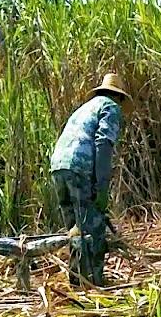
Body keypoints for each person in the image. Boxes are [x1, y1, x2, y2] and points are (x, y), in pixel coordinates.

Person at [50, 72, 129, 287]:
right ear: (119, 97)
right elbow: (103, 145)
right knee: (92, 230)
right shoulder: (111, 108)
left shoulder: (85, 108)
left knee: (76, 230)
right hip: (80, 168)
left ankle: (76, 282)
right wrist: (102, 188)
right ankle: (93, 284)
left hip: (58, 167)